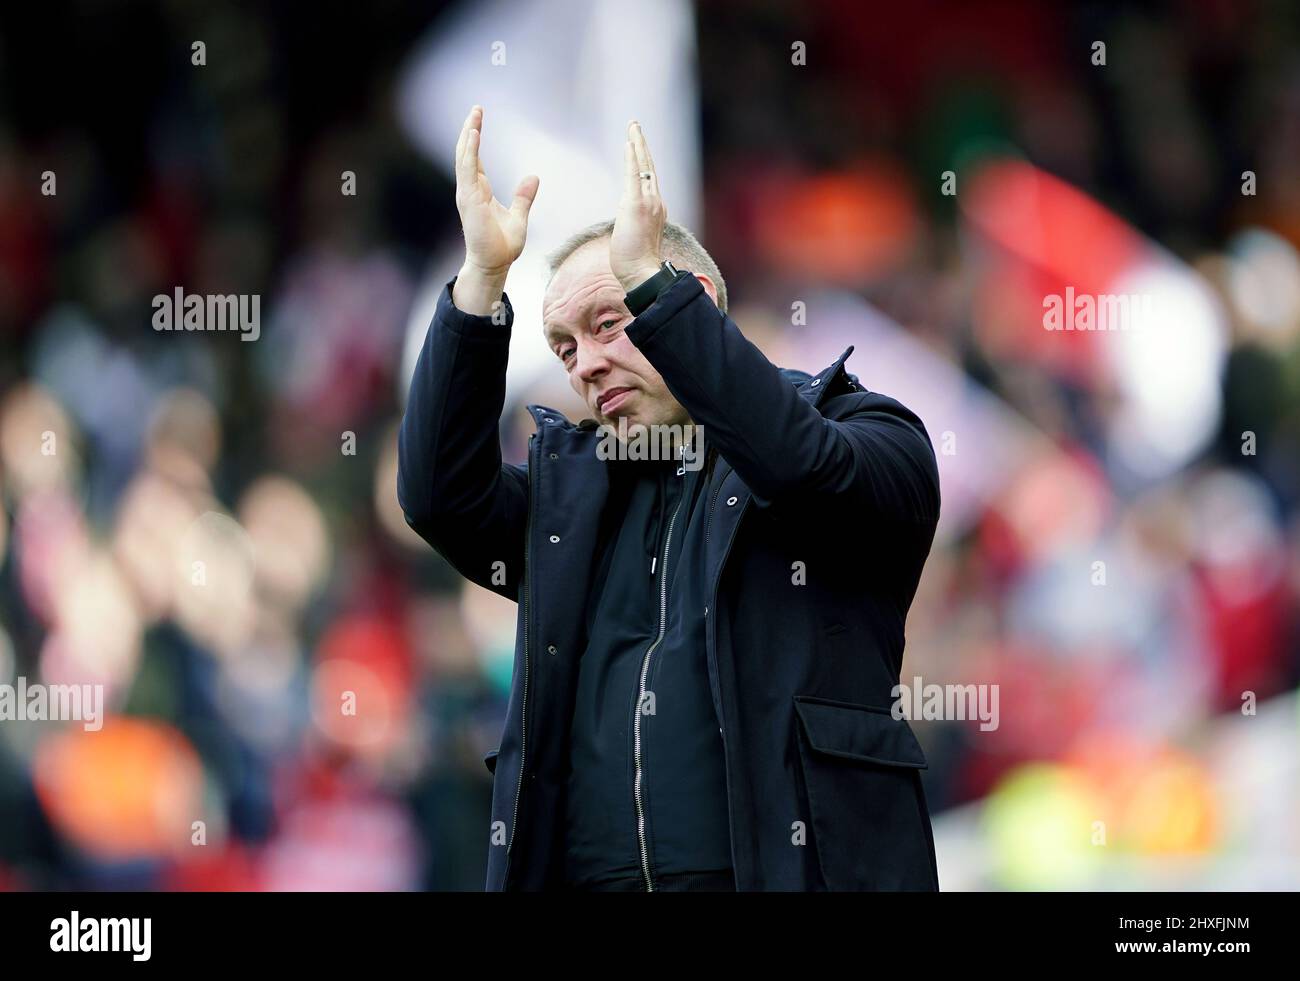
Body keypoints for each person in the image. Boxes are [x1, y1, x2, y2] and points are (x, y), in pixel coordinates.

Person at [397, 105, 942, 891]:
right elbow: (439, 499)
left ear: (694, 299)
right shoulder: (572, 502)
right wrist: (480, 284)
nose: (583, 363)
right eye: (564, 346)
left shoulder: (866, 430)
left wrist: (655, 294)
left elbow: (800, 469)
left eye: (609, 322)